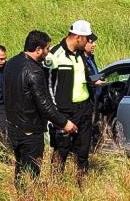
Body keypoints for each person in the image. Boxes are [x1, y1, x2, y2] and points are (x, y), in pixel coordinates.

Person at [3, 30, 77, 189]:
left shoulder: (11, 63)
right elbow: (44, 105)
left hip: (13, 125)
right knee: (32, 170)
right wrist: (64, 123)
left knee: (20, 167)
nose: (48, 52)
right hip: (30, 129)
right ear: (38, 49)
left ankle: (20, 197)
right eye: (47, 49)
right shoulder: (35, 71)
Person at [44, 20, 103, 187]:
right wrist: (55, 115)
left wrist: (93, 82)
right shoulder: (54, 55)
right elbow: (47, 86)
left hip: (83, 109)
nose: (89, 42)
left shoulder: (80, 55)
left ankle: (81, 184)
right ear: (78, 37)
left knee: (83, 150)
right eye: (87, 39)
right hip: (64, 111)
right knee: (61, 150)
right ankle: (56, 184)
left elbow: (82, 77)